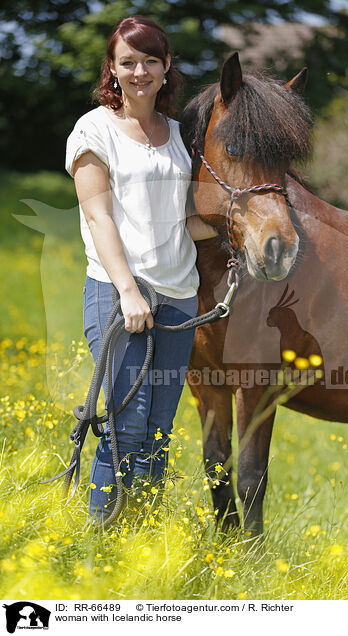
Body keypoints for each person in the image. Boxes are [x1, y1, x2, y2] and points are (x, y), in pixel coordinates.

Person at [65, 15, 217, 522]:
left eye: (151, 60)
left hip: (177, 296)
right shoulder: (95, 128)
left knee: (157, 431)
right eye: (128, 61)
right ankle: (100, 541)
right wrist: (129, 291)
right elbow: (98, 215)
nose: (140, 71)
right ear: (112, 68)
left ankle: (140, 542)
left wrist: (240, 226)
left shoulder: (178, 135)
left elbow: (183, 223)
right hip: (118, 292)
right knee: (126, 426)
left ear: (167, 65)